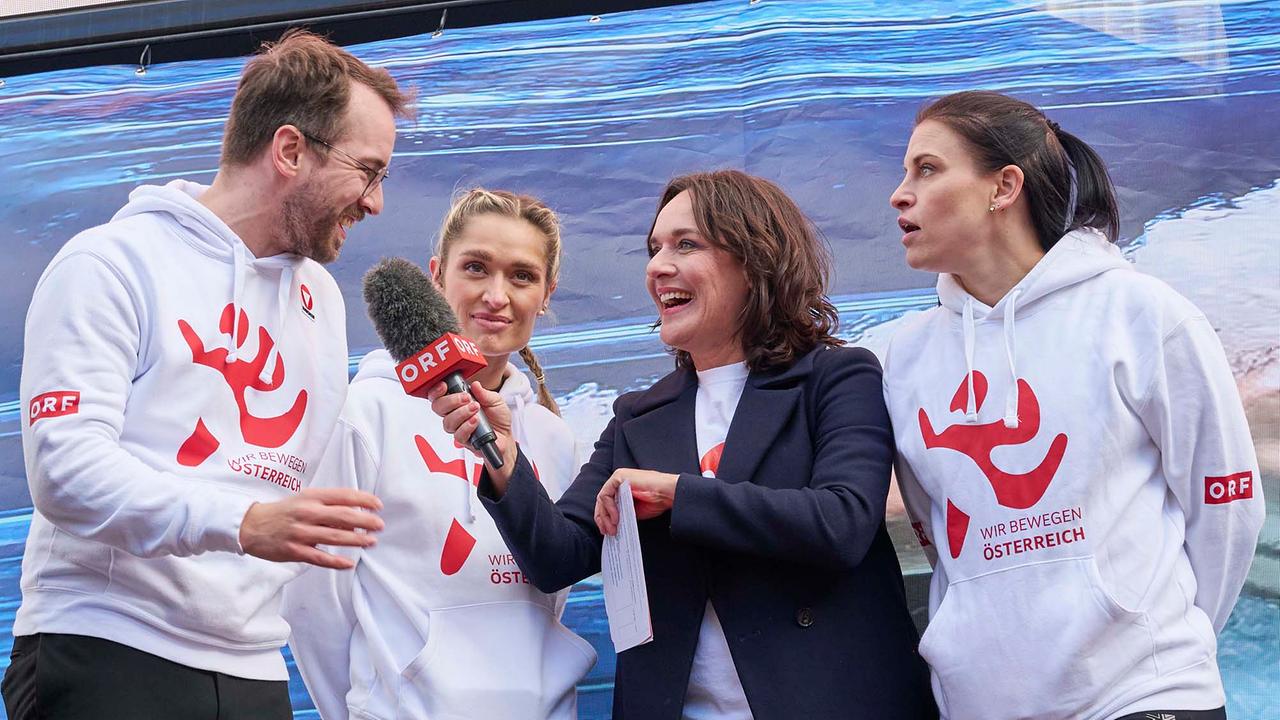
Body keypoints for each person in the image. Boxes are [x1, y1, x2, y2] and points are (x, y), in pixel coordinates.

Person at [3, 29, 413, 719]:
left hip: (251, 666)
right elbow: (65, 471)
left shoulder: (323, 303)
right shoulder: (110, 262)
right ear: (289, 150)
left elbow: (311, 492)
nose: (374, 202)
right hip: (107, 646)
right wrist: (243, 521)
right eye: (367, 171)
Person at [431, 170, 937, 719]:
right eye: (654, 248)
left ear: (755, 259)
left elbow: (841, 523)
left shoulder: (838, 378)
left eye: (685, 244)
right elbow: (557, 556)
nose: (657, 267)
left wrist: (679, 495)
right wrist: (503, 459)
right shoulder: (638, 417)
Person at [883, 90, 1265, 720]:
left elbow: (1226, 507)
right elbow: (937, 533)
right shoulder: (909, 355)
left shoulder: (1140, 313)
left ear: (1004, 186)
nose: (900, 194)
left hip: (1143, 698)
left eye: (927, 169)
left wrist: (1161, 647)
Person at [282, 188, 596, 719]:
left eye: (522, 276)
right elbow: (315, 601)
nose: (497, 295)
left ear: (547, 293)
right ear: (436, 275)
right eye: (476, 268)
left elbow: (548, 591)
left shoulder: (552, 437)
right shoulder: (366, 411)